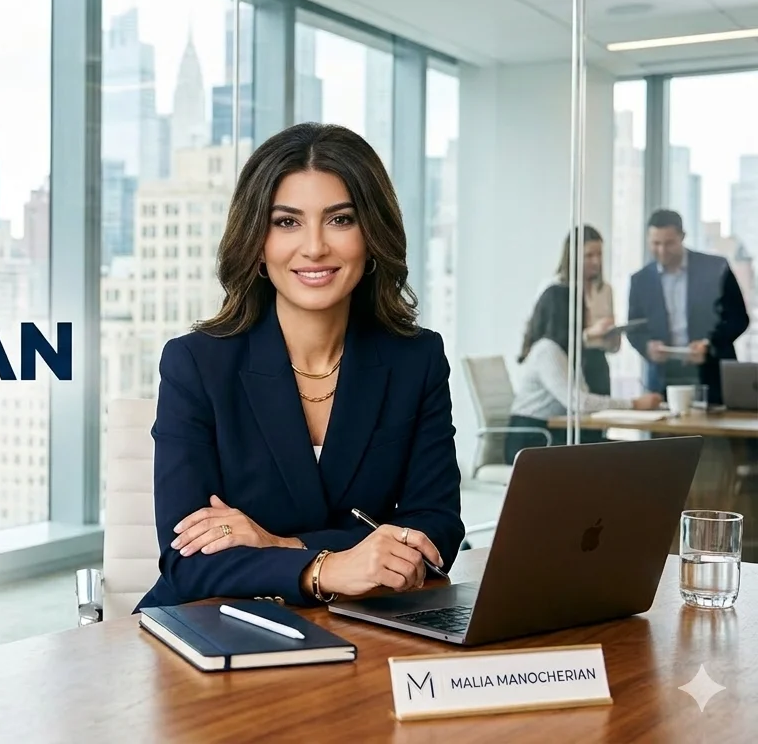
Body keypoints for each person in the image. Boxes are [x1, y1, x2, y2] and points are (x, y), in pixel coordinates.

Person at [135, 123, 464, 611]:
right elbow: (189, 561)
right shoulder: (197, 363)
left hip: (367, 624)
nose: (314, 247)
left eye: (340, 220)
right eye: (287, 222)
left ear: (372, 235)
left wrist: (279, 545)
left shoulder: (416, 360)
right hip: (212, 629)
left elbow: (436, 530)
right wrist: (329, 567)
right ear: (257, 241)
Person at [506, 284, 662, 463]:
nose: (588, 317)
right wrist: (634, 403)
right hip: (533, 442)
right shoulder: (547, 350)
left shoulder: (565, 351)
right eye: (584, 311)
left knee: (635, 452)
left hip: (551, 437)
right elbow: (579, 402)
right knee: (628, 457)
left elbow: (583, 398)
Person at [626, 209, 749, 405]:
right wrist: (647, 347)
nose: (662, 250)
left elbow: (739, 318)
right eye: (655, 243)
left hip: (711, 373)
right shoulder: (640, 280)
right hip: (663, 378)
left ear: (682, 237)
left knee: (716, 434)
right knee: (668, 435)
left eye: (669, 243)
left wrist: (709, 345)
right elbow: (634, 329)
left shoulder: (716, 268)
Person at [553, 225, 620, 395]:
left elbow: (613, 348)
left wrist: (613, 336)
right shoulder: (556, 291)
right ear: (573, 256)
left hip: (598, 365)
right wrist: (590, 333)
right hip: (569, 364)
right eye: (589, 255)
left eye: (599, 254)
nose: (596, 261)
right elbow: (552, 341)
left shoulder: (605, 290)